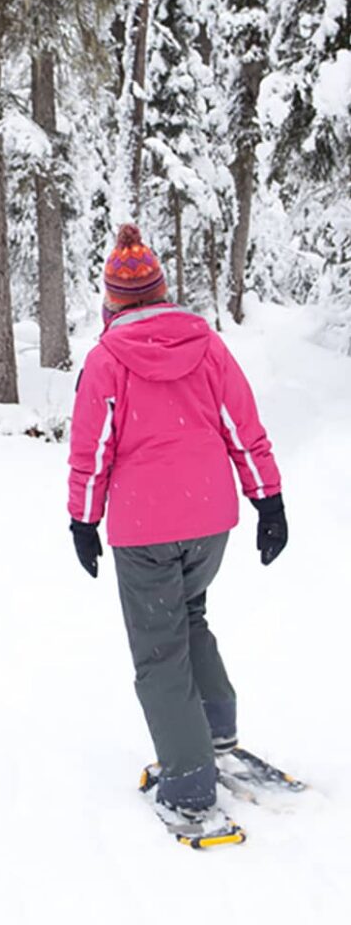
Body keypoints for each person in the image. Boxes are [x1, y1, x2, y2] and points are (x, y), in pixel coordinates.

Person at [67, 224, 288, 819]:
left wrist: (83, 522)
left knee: (159, 649)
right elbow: (242, 427)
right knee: (188, 615)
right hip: (211, 519)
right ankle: (215, 733)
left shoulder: (106, 360)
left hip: (144, 529)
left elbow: (93, 453)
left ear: (112, 300)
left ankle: (190, 784)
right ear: (161, 291)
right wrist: (268, 501)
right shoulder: (208, 346)